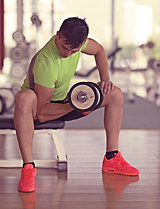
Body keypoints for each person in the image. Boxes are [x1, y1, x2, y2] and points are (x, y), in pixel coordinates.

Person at [14, 17, 139, 193]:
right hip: (37, 110)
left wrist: (105, 80)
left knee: (115, 94)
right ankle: (28, 168)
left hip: (65, 102)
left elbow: (100, 50)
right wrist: (77, 104)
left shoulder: (78, 42)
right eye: (65, 47)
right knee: (24, 97)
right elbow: (42, 113)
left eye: (75, 50)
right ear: (58, 36)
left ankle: (112, 158)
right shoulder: (46, 62)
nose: (67, 53)